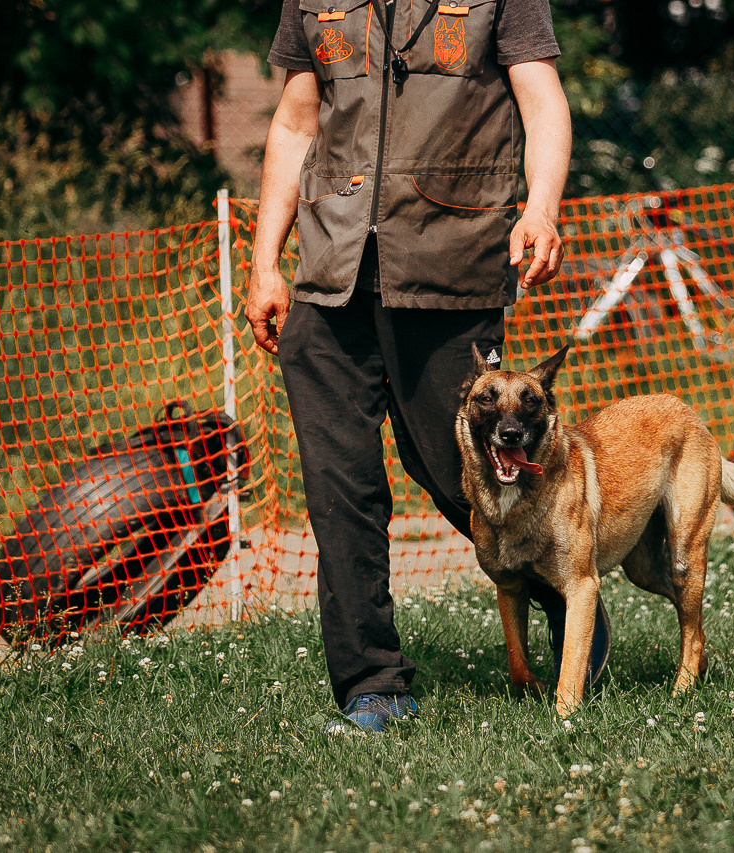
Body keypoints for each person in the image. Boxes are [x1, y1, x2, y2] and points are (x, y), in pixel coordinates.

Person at [246, 0, 609, 732]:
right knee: (340, 490)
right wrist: (264, 264)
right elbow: (295, 120)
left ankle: (571, 597)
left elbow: (541, 100)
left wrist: (541, 208)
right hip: (330, 278)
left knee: (460, 469)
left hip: (451, 269)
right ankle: (371, 682)